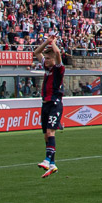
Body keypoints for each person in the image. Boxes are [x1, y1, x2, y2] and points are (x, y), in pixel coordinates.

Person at [31, 35, 65, 178]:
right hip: (45, 104)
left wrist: (54, 43)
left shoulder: (59, 69)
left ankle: (47, 160)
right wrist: (46, 42)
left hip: (55, 103)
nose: (47, 60)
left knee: (51, 132)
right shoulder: (47, 67)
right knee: (46, 136)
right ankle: (52, 164)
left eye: (49, 58)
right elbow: (36, 53)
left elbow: (57, 53)